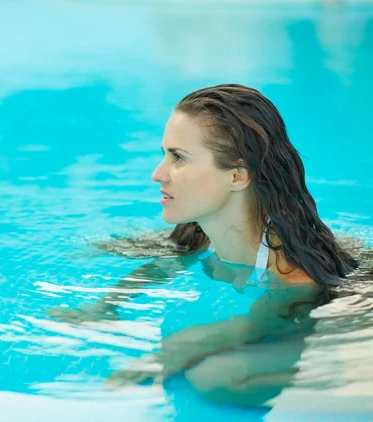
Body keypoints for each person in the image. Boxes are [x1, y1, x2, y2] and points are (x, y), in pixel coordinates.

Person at [48, 84, 361, 406]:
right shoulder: (199, 233)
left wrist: (173, 351)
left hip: (344, 322)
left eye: (179, 158)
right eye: (165, 154)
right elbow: (165, 264)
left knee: (217, 377)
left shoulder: (290, 273)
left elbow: (259, 322)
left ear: (237, 177)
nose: (158, 174)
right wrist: (105, 306)